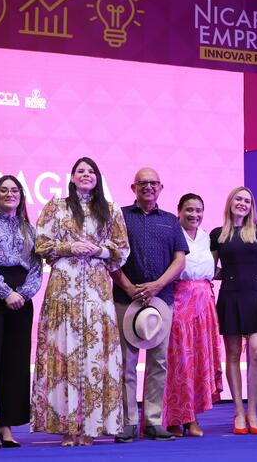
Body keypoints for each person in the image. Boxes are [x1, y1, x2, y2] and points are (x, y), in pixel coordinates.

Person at [31, 157, 130, 446]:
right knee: (64, 351)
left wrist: (99, 250)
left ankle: (91, 426)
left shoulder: (111, 210)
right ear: (72, 177)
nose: (86, 175)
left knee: (95, 354)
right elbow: (41, 244)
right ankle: (67, 426)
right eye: (80, 171)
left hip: (97, 291)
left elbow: (122, 250)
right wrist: (69, 246)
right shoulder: (56, 206)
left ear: (98, 178)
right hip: (64, 288)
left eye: (91, 171)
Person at [111, 167, 188, 442]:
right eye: (142, 183)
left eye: (153, 183)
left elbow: (180, 260)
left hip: (161, 300)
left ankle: (153, 421)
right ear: (133, 187)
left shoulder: (171, 221)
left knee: (159, 362)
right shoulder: (119, 216)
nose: (148, 187)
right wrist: (130, 288)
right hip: (125, 299)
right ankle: (128, 422)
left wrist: (156, 286)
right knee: (126, 363)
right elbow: (111, 259)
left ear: (161, 188)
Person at [0, 175, 43, 448]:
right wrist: (5, 293)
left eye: (14, 190)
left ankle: (7, 423)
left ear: (21, 196)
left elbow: (37, 267)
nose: (9, 194)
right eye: (3, 190)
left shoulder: (29, 229)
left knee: (16, 362)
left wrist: (24, 294)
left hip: (22, 297)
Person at [210, 186, 257, 435]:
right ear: (230, 202)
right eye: (238, 199)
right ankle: (238, 411)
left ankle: (253, 411)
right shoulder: (218, 234)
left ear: (251, 207)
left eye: (247, 201)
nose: (242, 203)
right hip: (230, 296)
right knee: (233, 354)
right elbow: (210, 268)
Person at [163, 193, 223, 438]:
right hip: (180, 302)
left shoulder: (207, 237)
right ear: (178, 211)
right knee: (179, 361)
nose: (194, 214)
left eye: (198, 210)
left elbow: (212, 270)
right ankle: (174, 418)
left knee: (198, 362)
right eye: (189, 209)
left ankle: (193, 418)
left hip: (205, 304)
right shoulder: (172, 234)